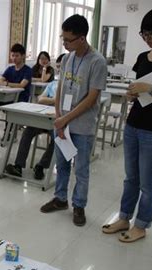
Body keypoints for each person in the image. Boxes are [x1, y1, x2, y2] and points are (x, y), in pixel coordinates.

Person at [101, 7, 152, 242]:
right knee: (131, 178)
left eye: (151, 33)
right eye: (144, 33)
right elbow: (137, 88)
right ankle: (124, 217)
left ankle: (141, 225)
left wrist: (151, 89)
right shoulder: (142, 58)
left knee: (148, 182)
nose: (146, 38)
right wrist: (132, 94)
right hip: (133, 124)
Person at [39, 14, 107, 227]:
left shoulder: (97, 61)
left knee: (81, 169)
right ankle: (60, 199)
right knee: (62, 164)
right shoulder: (68, 58)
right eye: (62, 38)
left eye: (68, 40)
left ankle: (79, 205)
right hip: (63, 123)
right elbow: (60, 88)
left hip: (82, 125)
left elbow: (92, 98)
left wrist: (66, 118)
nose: (64, 43)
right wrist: (59, 117)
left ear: (82, 38)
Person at [5, 53, 65, 180]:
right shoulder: (53, 85)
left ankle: (41, 166)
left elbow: (65, 104)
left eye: (62, 67)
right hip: (44, 117)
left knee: (58, 138)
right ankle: (18, 166)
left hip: (59, 121)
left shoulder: (70, 87)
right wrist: (55, 100)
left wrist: (52, 100)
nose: (60, 70)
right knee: (28, 132)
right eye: (59, 67)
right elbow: (40, 99)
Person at [0, 43, 32, 136]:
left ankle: (7, 134)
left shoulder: (27, 70)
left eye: (17, 55)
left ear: (23, 56)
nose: (14, 58)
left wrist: (7, 84)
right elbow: (1, 79)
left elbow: (22, 85)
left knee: (10, 109)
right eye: (12, 55)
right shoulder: (10, 69)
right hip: (7, 97)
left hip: (20, 98)